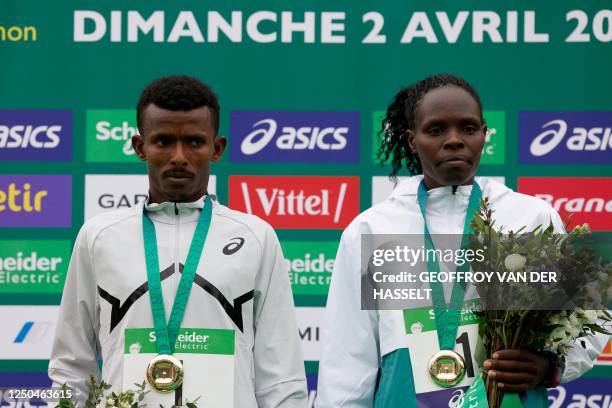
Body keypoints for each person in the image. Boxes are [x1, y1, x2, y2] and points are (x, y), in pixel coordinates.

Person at [316, 74, 607, 407]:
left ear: (484, 134)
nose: (454, 140)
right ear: (413, 140)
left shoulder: (531, 218)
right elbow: (348, 359)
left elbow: (588, 319)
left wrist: (551, 367)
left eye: (468, 128)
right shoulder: (371, 229)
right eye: (436, 130)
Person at [49, 76, 307, 407]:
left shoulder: (255, 237)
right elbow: (71, 364)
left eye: (195, 142)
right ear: (140, 147)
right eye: (164, 141)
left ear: (217, 148)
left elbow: (282, 375)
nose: (179, 156)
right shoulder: (99, 236)